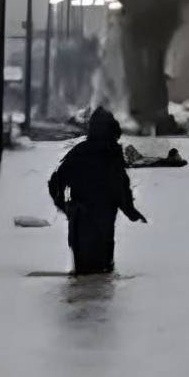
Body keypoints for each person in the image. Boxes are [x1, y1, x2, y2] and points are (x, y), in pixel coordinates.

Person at [48, 107, 147, 275]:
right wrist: (130, 211)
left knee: (86, 277)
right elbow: (120, 186)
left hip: (84, 223)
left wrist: (65, 207)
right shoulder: (111, 155)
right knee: (101, 276)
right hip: (98, 224)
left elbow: (55, 183)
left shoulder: (80, 153)